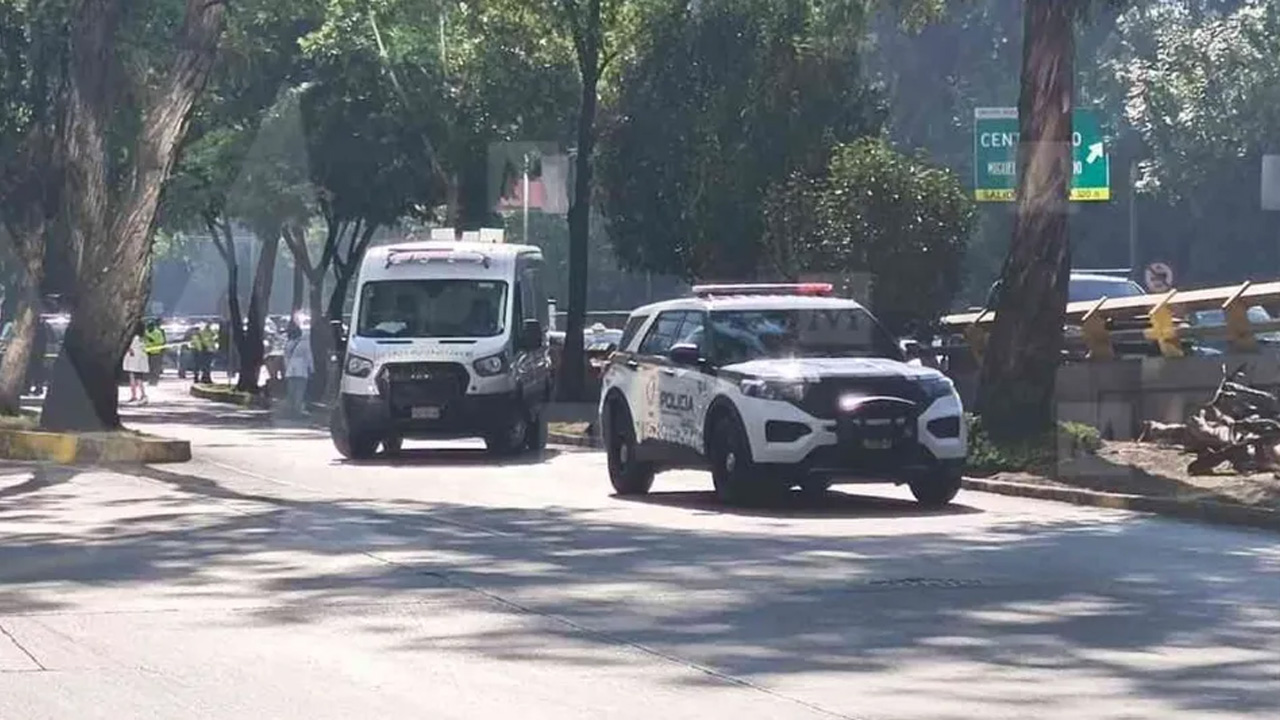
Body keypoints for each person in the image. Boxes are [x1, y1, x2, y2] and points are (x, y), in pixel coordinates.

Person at [282, 322, 313, 417]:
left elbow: (285, 358)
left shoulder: (288, 344)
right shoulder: (304, 344)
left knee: (291, 391)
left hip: (290, 370)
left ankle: (290, 410)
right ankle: (297, 411)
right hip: (302, 370)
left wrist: (286, 370)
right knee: (300, 391)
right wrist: (312, 369)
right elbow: (309, 357)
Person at [123, 321, 150, 404]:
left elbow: (130, 349)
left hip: (133, 360)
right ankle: (141, 395)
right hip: (140, 359)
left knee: (133, 377)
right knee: (139, 378)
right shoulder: (144, 338)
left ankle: (138, 395)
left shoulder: (134, 338)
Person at [144, 318, 166, 385]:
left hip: (156, 353)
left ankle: (154, 381)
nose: (149, 328)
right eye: (148, 326)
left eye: (150, 326)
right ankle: (150, 380)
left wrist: (151, 339)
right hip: (147, 353)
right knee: (149, 368)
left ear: (153, 326)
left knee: (155, 368)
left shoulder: (158, 332)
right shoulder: (146, 332)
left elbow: (161, 342)